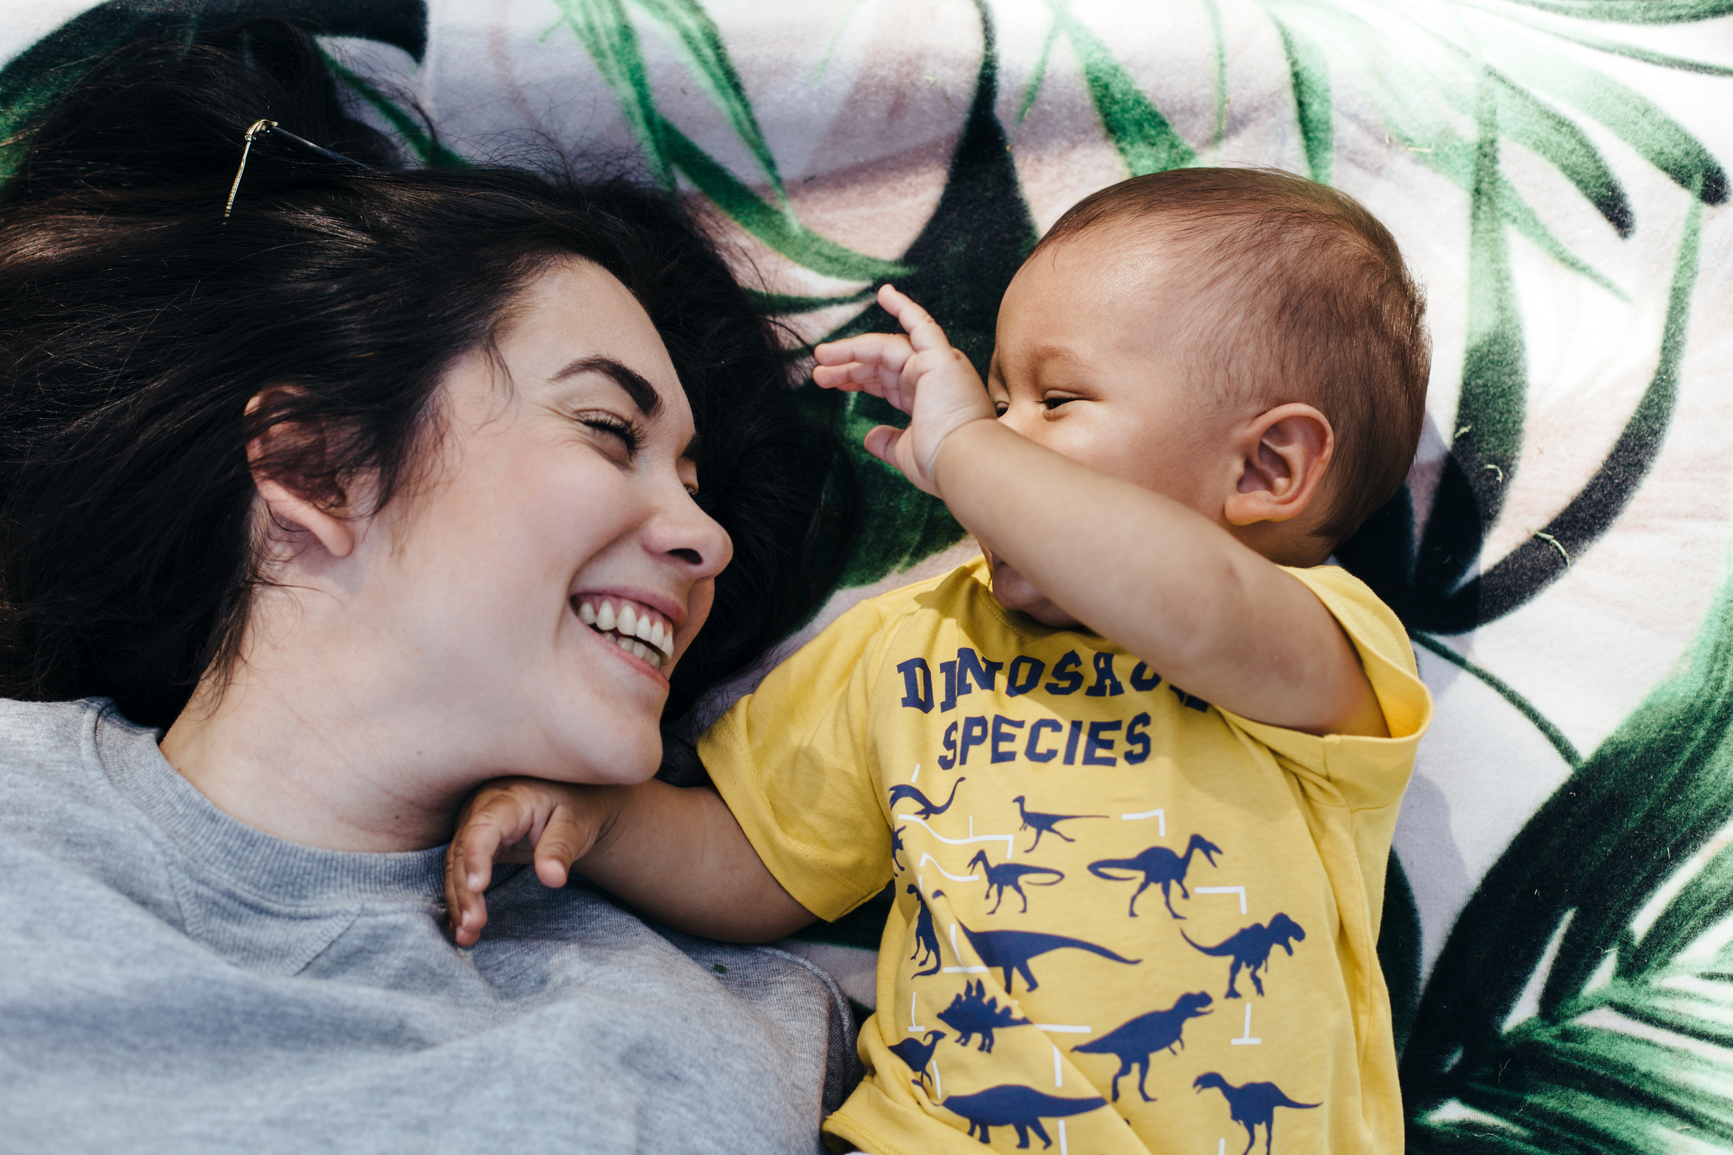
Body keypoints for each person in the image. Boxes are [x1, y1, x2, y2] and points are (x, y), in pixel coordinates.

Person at [448, 168, 1435, 1154]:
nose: (995, 439)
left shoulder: (1314, 647)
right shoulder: (909, 642)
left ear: (1266, 469)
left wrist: (964, 443)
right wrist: (598, 820)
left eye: (1054, 400)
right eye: (994, 400)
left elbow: (1193, 600)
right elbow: (760, 863)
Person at [0, 20, 858, 1153]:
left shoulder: (712, 1036)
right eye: (608, 429)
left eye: (699, 485)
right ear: (320, 467)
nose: (707, 539)